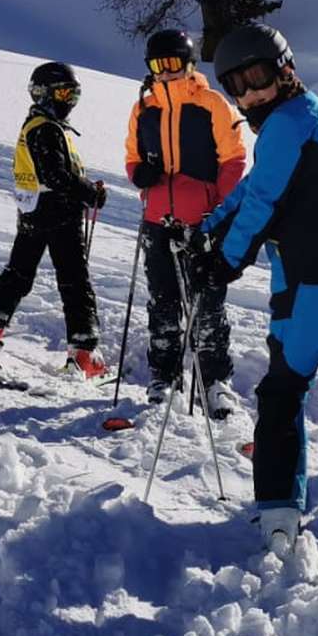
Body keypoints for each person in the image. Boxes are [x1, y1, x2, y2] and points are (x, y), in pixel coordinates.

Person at [191, 24, 318, 579]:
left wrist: (222, 262)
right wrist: (209, 225)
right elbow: (259, 187)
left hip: (315, 280)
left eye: (257, 77)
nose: (250, 93)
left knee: (282, 391)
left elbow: (262, 203)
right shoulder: (304, 114)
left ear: (284, 68)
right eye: (237, 85)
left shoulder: (284, 124)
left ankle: (279, 514)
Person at [0, 62, 110, 379]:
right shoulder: (46, 128)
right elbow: (55, 175)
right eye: (63, 94)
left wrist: (85, 189)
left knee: (19, 272)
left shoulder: (42, 125)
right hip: (58, 212)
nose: (69, 101)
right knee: (74, 279)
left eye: (74, 94)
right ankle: (84, 353)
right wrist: (88, 192)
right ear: (42, 94)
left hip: (33, 211)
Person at [124, 29, 246, 416]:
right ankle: (165, 377)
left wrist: (219, 210)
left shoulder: (212, 104)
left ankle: (215, 382)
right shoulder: (144, 108)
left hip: (202, 222)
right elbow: (131, 156)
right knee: (162, 302)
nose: (166, 72)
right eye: (158, 65)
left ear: (189, 64)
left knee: (207, 304)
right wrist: (139, 173)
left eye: (173, 63)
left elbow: (233, 159)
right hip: (157, 219)